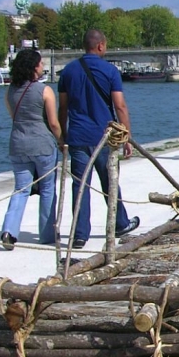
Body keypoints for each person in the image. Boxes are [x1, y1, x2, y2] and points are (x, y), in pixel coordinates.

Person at [57, 29, 139, 249]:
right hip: (103, 137)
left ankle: (79, 234)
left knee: (80, 185)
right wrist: (127, 137)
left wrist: (63, 135)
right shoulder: (110, 71)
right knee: (109, 182)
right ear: (101, 45)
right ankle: (120, 223)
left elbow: (62, 107)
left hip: (77, 136)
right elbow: (119, 106)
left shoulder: (67, 72)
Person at [0, 49, 61, 250]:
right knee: (47, 189)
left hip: (17, 144)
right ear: (34, 67)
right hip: (42, 144)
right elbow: (53, 123)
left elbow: (13, 117)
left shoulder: (10, 91)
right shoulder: (44, 91)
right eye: (41, 64)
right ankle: (47, 233)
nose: (43, 66)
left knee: (21, 189)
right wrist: (61, 140)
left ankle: (9, 231)